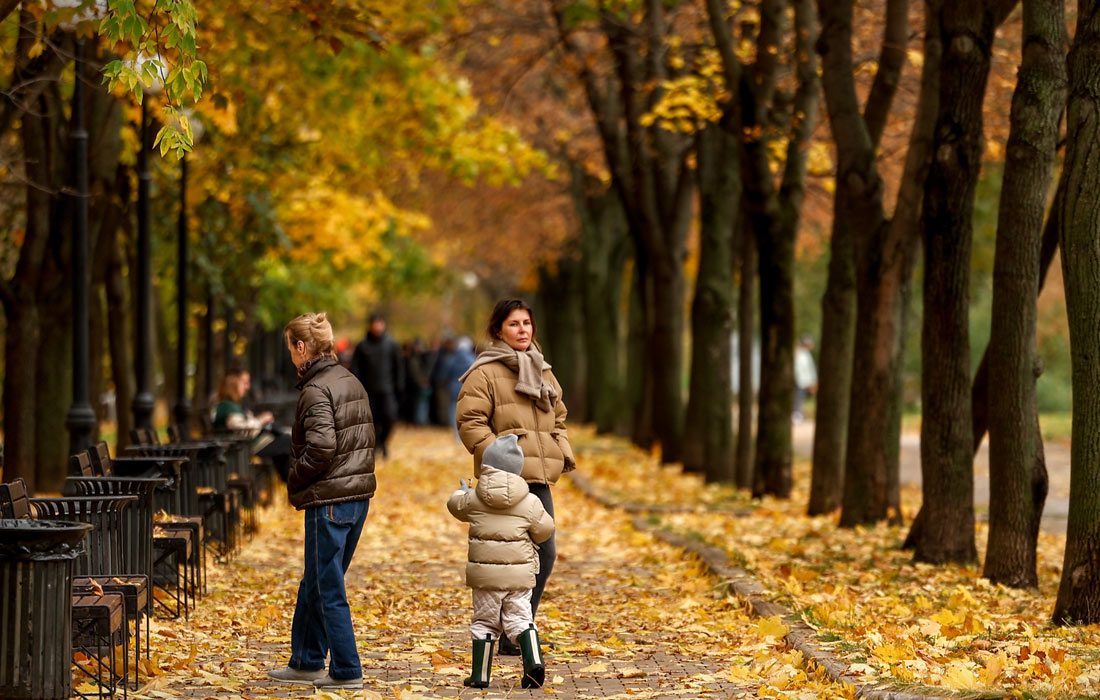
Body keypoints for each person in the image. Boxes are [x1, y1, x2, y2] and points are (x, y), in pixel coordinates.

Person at [456, 299, 575, 655]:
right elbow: (470, 422)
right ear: (498, 330)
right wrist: (501, 459)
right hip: (506, 482)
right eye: (514, 324)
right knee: (509, 561)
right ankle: (513, 633)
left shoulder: (542, 369)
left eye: (526, 323)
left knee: (545, 554)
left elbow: (559, 416)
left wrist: (560, 450)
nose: (523, 330)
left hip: (538, 481)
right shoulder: (484, 372)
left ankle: (518, 629)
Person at [267, 312, 376, 690]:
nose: (291, 357)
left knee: (327, 586)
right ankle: (307, 660)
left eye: (290, 349)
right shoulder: (348, 380)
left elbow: (323, 447)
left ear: (301, 347)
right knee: (316, 581)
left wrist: (293, 475)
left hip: (329, 499)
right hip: (355, 497)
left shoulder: (316, 389)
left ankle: (347, 669)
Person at [447, 434, 555, 689]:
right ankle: (534, 663)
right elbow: (545, 530)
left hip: (486, 580)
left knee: (485, 621)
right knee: (519, 618)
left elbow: (454, 506)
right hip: (520, 578)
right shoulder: (529, 501)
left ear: (487, 466)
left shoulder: (474, 497)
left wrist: (461, 491)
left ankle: (480, 675)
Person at [350, 312, 403, 457]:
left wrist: (399, 388)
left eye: (380, 323)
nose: (377, 327)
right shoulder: (362, 346)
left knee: (389, 418)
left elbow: (398, 368)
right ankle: (376, 445)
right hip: (368, 392)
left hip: (387, 391)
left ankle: (382, 442)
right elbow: (355, 369)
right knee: (371, 421)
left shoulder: (391, 345)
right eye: (374, 323)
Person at [793, 334, 818, 423]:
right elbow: (802, 369)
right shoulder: (802, 354)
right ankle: (797, 414)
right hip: (802, 381)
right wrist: (811, 381)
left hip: (804, 381)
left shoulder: (804, 354)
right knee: (798, 397)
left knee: (800, 397)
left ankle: (798, 413)